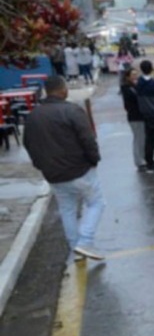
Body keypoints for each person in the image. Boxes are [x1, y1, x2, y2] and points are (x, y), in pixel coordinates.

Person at [23, 76, 106, 261]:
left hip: (53, 174)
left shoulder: (33, 116)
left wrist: (41, 165)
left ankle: (75, 248)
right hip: (79, 170)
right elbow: (87, 139)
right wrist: (94, 159)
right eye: (66, 88)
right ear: (62, 91)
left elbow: (28, 144)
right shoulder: (72, 111)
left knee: (67, 209)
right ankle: (84, 242)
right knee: (96, 203)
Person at [120, 66, 146, 171]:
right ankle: (139, 161)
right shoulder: (127, 88)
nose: (135, 77)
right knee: (138, 139)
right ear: (127, 77)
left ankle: (143, 158)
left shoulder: (135, 86)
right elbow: (131, 103)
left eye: (136, 74)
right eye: (133, 75)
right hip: (135, 117)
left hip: (140, 116)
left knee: (142, 138)